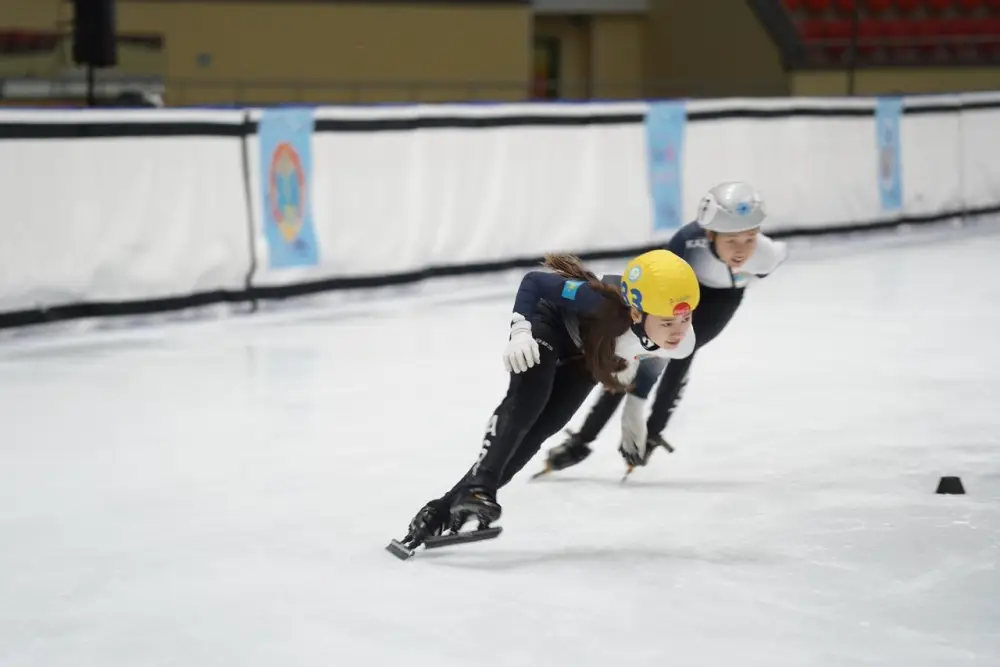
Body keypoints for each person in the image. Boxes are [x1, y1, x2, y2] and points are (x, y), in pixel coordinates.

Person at [395, 248, 701, 549]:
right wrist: (521, 330)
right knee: (530, 400)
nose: (678, 332)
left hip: (587, 354)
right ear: (635, 311)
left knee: (543, 428)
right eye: (666, 323)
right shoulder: (598, 300)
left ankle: (441, 511)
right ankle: (480, 487)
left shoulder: (680, 337)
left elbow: (655, 355)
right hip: (549, 326)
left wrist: (635, 406)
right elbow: (535, 281)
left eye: (685, 319)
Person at [538, 181, 789, 477]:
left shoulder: (767, 255)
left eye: (749, 239)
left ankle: (652, 432)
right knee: (635, 355)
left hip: (721, 302)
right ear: (709, 233)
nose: (742, 250)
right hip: (678, 292)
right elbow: (652, 283)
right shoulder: (687, 243)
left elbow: (769, 256)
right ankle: (583, 440)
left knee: (680, 354)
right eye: (731, 240)